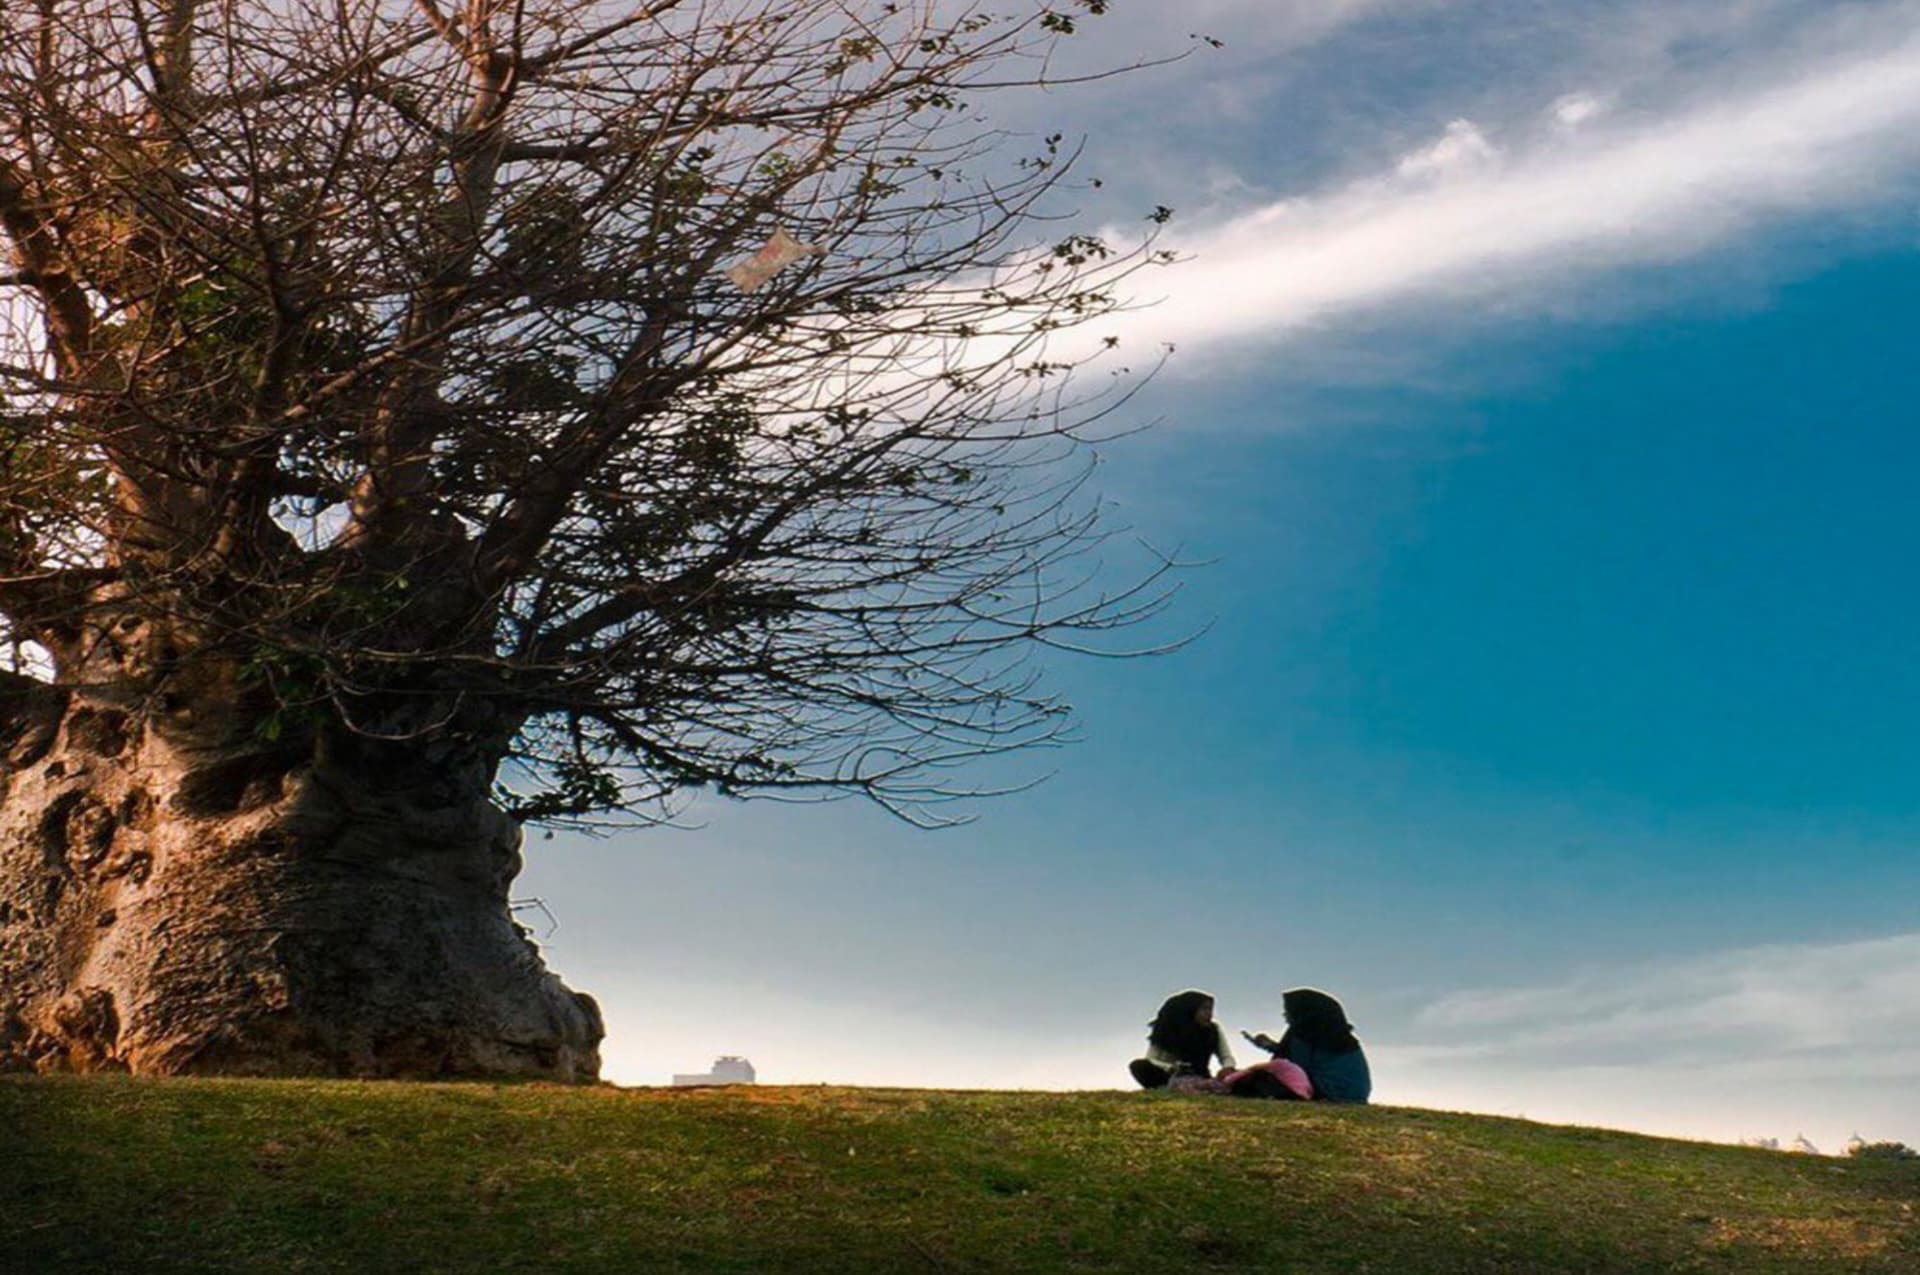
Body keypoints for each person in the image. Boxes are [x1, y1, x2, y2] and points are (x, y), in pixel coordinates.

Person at [1243, 987, 1372, 1103]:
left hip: (1331, 1094)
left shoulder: (1303, 1034)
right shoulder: (1341, 1035)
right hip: (1357, 1096)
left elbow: (1294, 1070)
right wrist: (1269, 1046)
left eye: (1288, 1011)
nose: (1285, 1015)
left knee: (1257, 1079)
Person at [1128, 989, 1237, 1090]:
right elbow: (1151, 1059)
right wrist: (1172, 1067)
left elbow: (1226, 1057)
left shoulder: (1214, 1030)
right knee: (1138, 1066)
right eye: (1204, 1009)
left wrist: (1228, 1067)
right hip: (1170, 1076)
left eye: (1210, 1009)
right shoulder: (1166, 1030)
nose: (1209, 1014)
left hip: (1200, 1076)